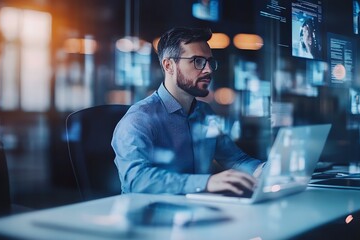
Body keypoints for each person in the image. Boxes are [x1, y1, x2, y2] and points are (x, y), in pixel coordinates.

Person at [112, 27, 264, 196]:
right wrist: (207, 182)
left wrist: (269, 171)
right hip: (149, 217)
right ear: (169, 66)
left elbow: (236, 160)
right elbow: (136, 180)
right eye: (197, 61)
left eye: (209, 62)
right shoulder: (139, 118)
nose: (208, 70)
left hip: (197, 212)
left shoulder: (204, 113)